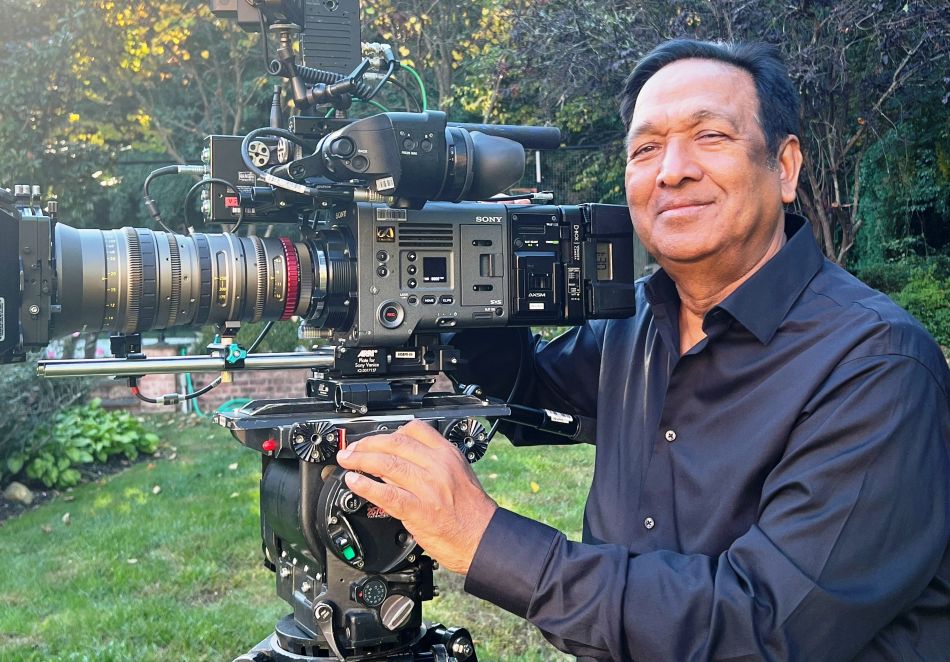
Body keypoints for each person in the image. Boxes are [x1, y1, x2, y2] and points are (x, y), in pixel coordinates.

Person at [337, 39, 950, 660]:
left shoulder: (876, 365)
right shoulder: (633, 321)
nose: (672, 170)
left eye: (710, 136)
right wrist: (474, 284)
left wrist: (485, 540)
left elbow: (760, 628)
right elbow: (527, 399)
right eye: (646, 148)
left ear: (785, 167)